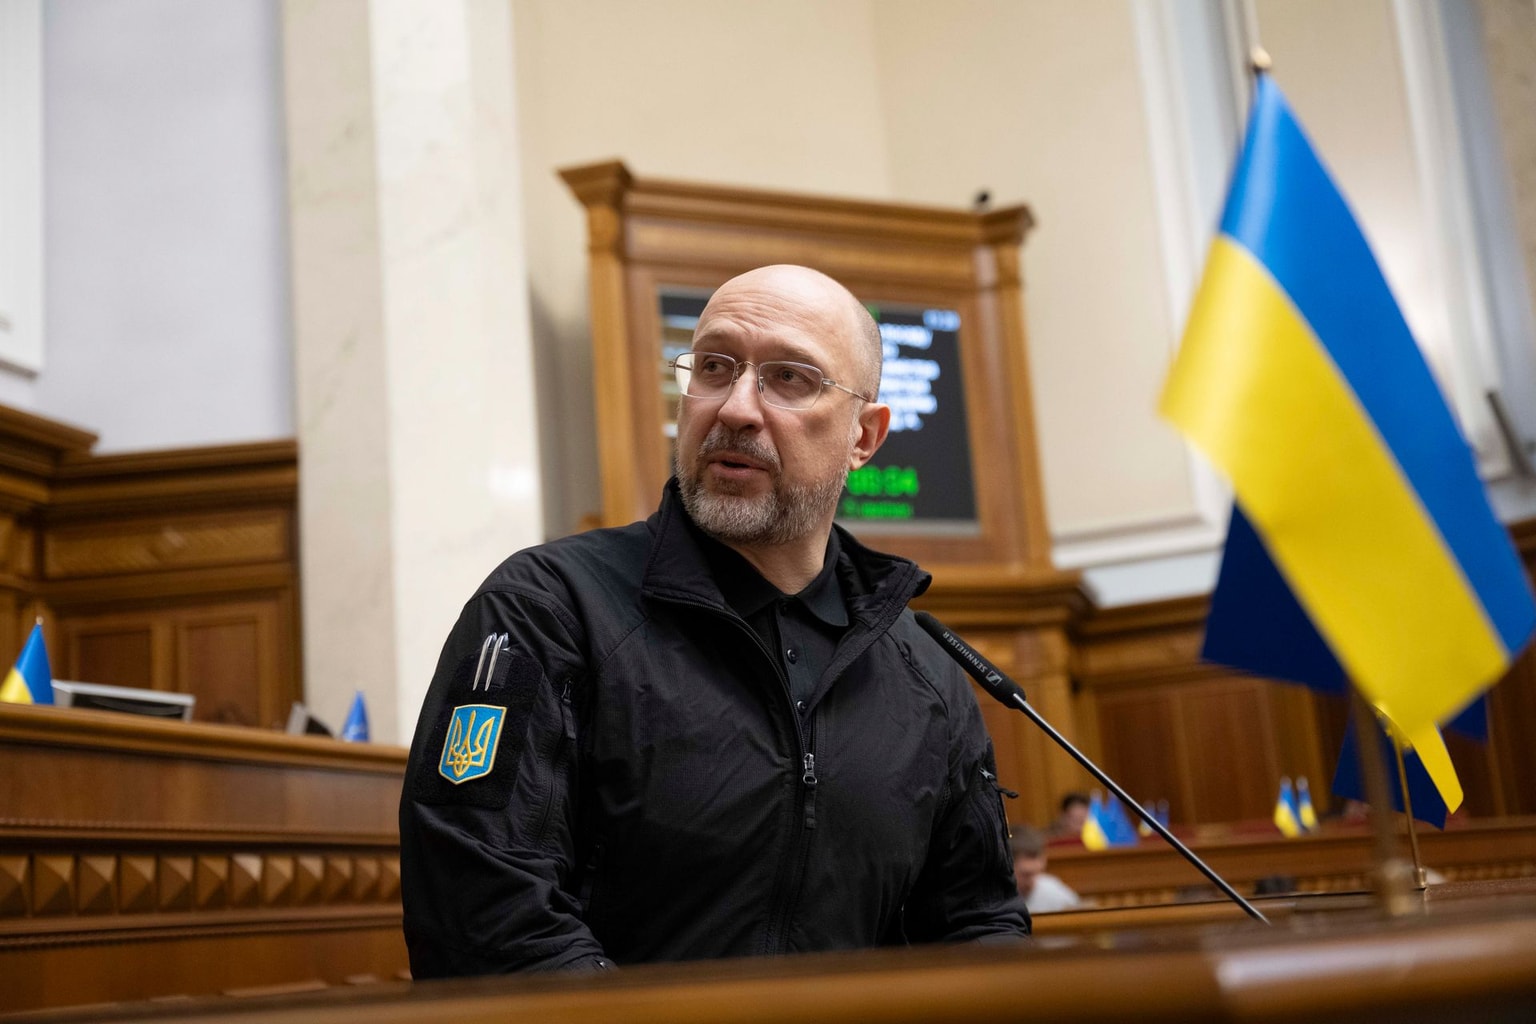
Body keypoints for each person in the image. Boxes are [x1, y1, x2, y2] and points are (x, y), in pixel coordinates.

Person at [399, 264, 1029, 976]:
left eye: (789, 378)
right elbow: (484, 913)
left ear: (865, 436)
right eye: (714, 367)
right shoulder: (547, 609)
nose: (735, 408)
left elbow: (980, 924)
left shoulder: (928, 674)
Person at [1011, 826, 1082, 914]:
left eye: (1038, 872)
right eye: (1026, 875)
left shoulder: (1053, 891)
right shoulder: (996, 899)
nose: (1033, 881)